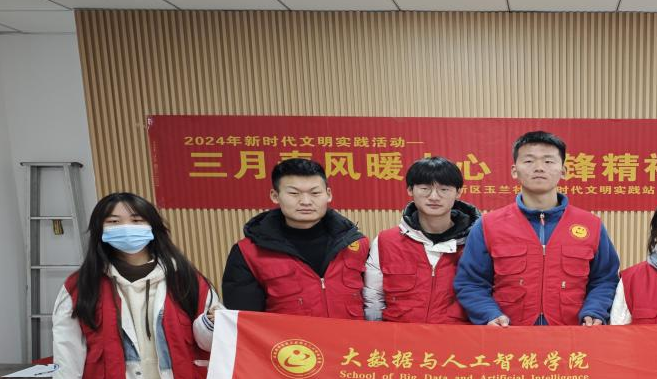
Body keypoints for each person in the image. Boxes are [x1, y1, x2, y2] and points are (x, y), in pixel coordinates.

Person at [52, 192, 219, 379]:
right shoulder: (80, 285)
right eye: (114, 222)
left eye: (136, 220)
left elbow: (208, 344)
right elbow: (67, 356)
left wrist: (211, 322)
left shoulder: (186, 278)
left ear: (153, 226)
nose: (126, 228)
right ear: (100, 230)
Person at [453, 131, 620, 326]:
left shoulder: (591, 224)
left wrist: (594, 311)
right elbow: (471, 282)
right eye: (529, 161)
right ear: (514, 171)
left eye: (548, 161)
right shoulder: (488, 225)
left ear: (563, 171)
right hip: (508, 334)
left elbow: (605, 279)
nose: (539, 167)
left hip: (572, 334)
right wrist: (489, 314)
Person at [221, 158, 368, 318]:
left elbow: (375, 304)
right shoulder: (248, 253)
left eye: (315, 193)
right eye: (294, 193)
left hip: (350, 335)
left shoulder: (356, 244)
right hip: (287, 336)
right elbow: (245, 321)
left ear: (328, 194)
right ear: (275, 196)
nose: (306, 202)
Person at [363, 157, 480, 323]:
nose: (434, 197)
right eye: (425, 188)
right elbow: (373, 297)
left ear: (458, 192)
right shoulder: (386, 241)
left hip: (457, 335)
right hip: (398, 336)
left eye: (444, 189)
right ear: (410, 190)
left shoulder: (477, 242)